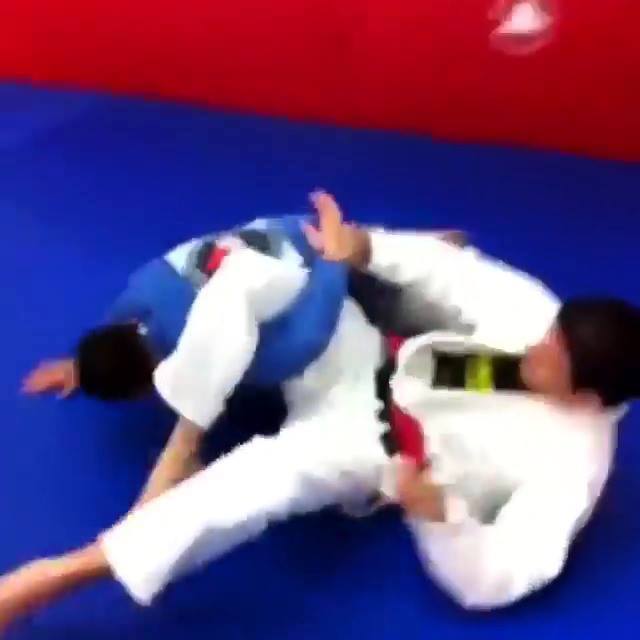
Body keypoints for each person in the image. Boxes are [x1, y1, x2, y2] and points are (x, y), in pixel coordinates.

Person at [3, 193, 638, 632]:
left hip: (377, 448)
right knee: (255, 278)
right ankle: (158, 403)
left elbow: (501, 576)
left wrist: (442, 518)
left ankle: (68, 572)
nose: (535, 346)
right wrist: (364, 247)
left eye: (550, 357)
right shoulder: (539, 318)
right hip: (366, 354)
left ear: (585, 397)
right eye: (548, 336)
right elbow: (457, 278)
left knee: (261, 478)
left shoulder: (570, 469)